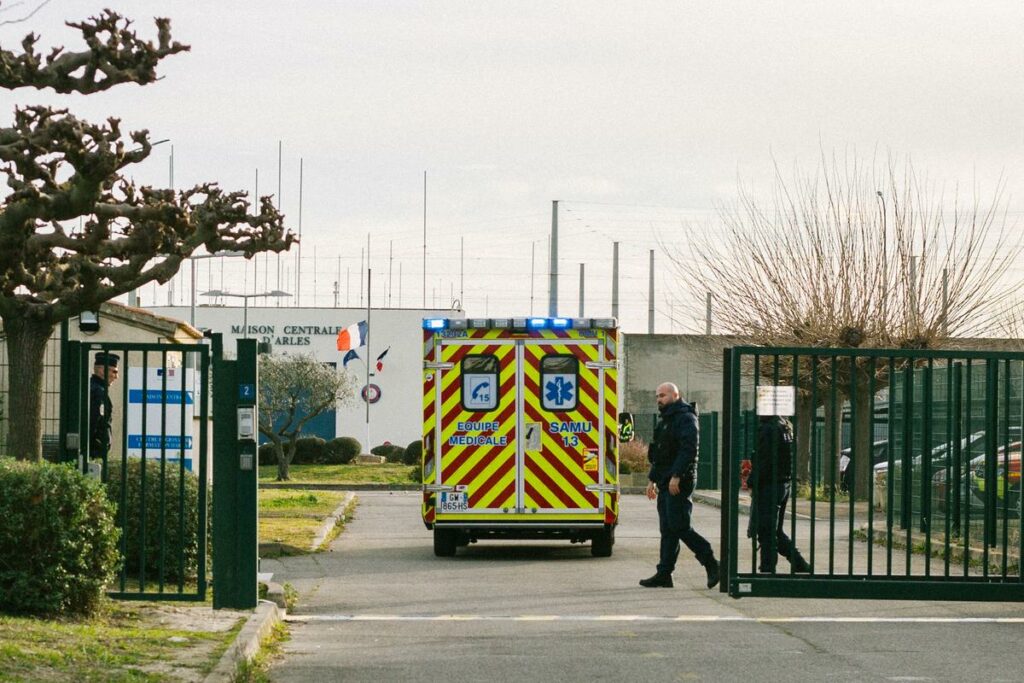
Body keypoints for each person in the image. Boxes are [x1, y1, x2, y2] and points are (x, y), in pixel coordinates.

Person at [639, 382, 720, 589]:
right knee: (667, 528)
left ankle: (712, 563)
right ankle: (664, 574)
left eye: (663, 395)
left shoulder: (686, 417)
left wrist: (677, 475)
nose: (659, 399)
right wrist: (652, 480)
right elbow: (659, 454)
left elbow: (689, 450)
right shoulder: (665, 420)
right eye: (657, 396)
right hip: (665, 480)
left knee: (680, 526)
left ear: (676, 395)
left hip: (680, 481)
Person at [749, 414, 810, 574]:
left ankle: (768, 569)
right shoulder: (784, 425)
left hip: (770, 485)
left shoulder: (768, 428)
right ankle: (800, 564)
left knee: (766, 531)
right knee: (775, 530)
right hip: (783, 483)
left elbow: (764, 460)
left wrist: (751, 481)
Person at [89, 352, 119, 462]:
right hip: (93, 453)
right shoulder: (98, 392)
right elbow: (94, 421)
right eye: (114, 371)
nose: (116, 376)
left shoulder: (95, 388)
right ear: (102, 370)